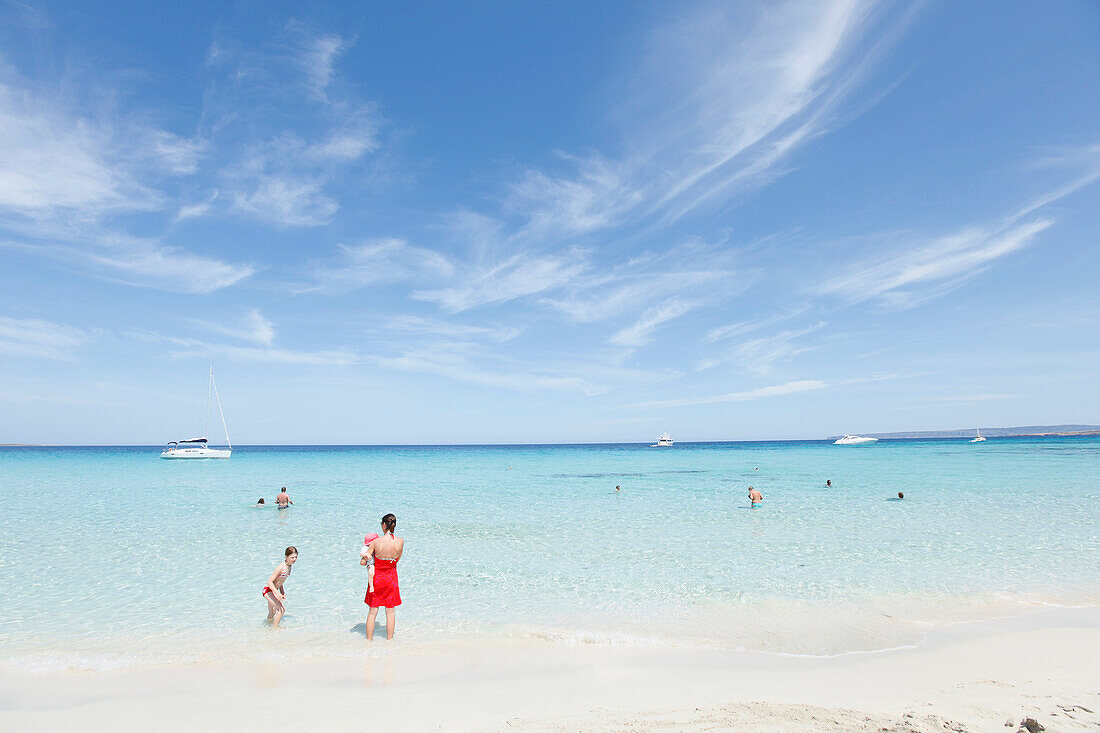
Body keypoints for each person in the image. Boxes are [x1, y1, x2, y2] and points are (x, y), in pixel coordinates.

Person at [364, 514, 403, 640]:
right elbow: (397, 560)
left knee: (373, 611)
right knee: (390, 612)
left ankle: (369, 641)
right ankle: (390, 640)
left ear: (384, 525)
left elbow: (365, 560)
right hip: (391, 578)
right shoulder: (400, 542)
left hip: (377, 578)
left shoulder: (375, 542)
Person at [262, 546, 297, 627]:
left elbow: (280, 581)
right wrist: (277, 593)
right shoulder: (281, 567)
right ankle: (275, 629)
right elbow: (270, 582)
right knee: (281, 610)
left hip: (274, 591)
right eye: (292, 557)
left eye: (295, 557)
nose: (294, 559)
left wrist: (282, 592)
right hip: (268, 590)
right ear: (286, 557)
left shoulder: (289, 566)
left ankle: (267, 629)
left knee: (272, 613)